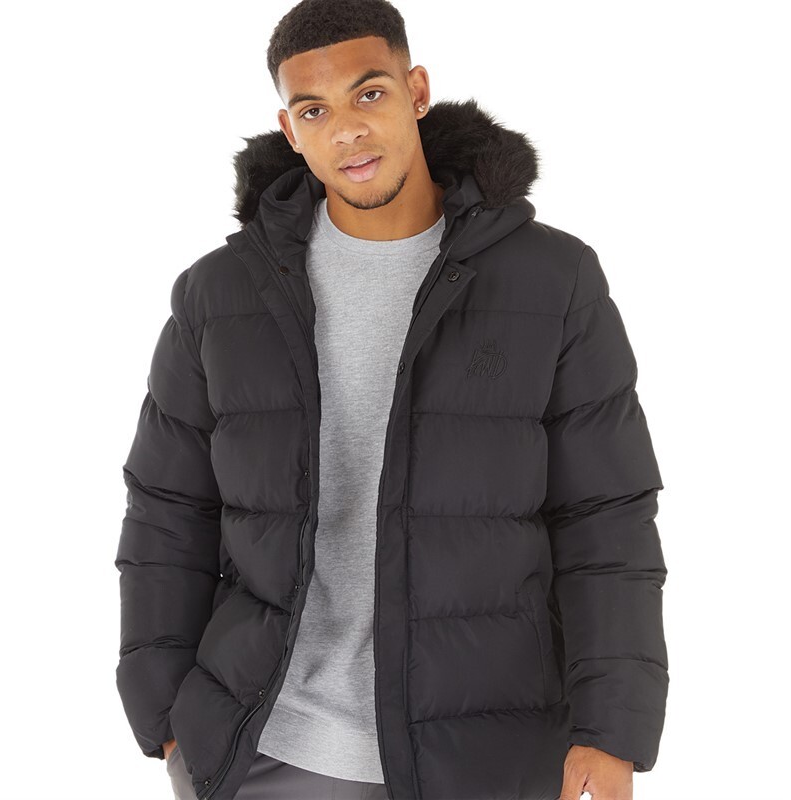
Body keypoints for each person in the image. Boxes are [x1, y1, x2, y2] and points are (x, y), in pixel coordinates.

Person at [114, 0, 669, 798]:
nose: (347, 131)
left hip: (484, 754)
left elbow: (605, 515)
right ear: (290, 128)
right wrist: (165, 717)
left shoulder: (552, 280)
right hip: (266, 749)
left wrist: (611, 728)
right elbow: (168, 512)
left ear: (417, 91)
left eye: (369, 93)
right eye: (315, 110)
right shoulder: (219, 293)